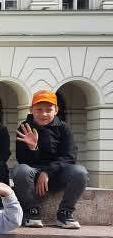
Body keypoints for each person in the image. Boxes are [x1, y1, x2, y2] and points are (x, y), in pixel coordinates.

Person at [13, 90, 88, 229]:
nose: (44, 114)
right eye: (39, 110)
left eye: (48, 110)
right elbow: (21, 159)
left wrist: (47, 172)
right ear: (31, 110)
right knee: (20, 170)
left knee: (80, 172)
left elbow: (70, 156)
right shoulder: (24, 127)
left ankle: (65, 213)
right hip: (33, 176)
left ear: (56, 110)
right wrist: (33, 148)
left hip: (58, 173)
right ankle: (32, 212)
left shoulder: (63, 128)